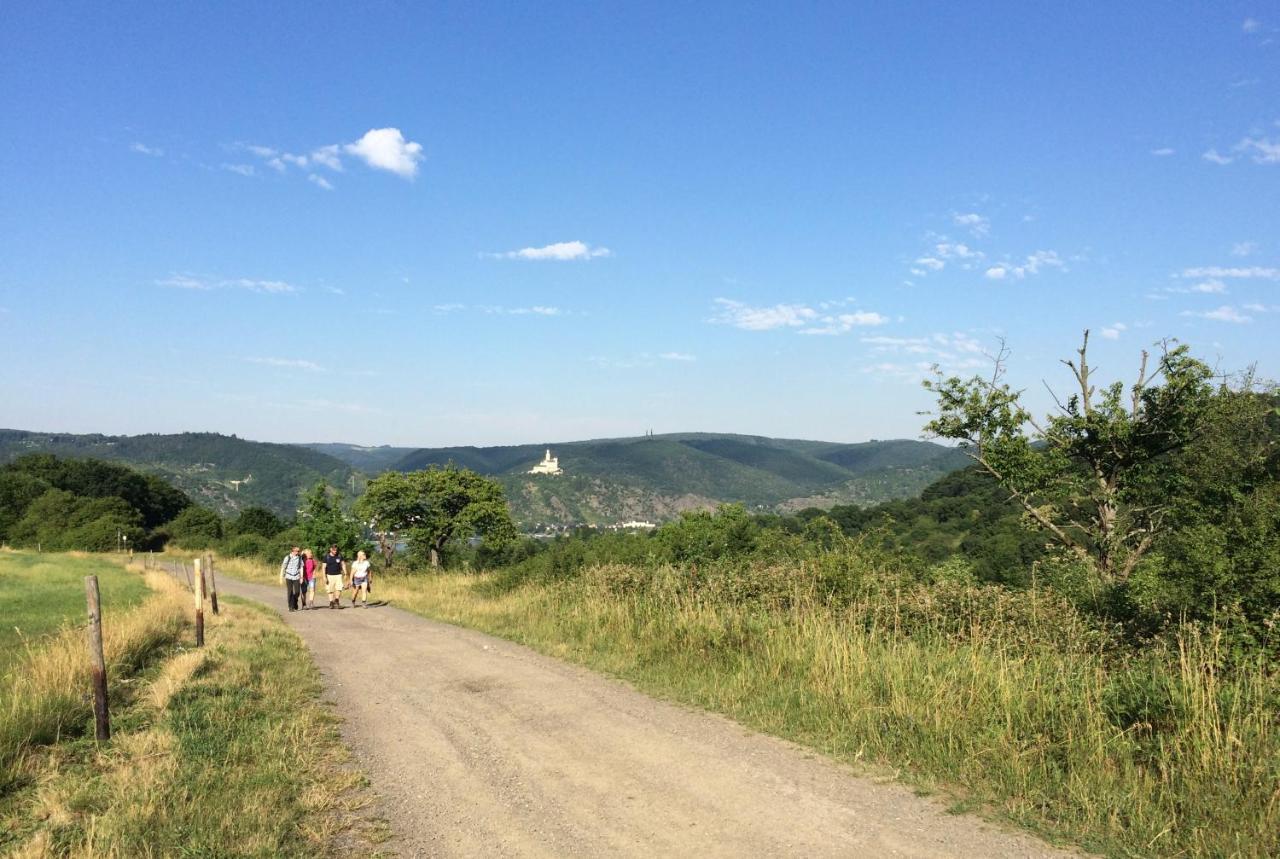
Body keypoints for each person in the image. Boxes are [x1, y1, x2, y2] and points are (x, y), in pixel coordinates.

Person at [279, 545, 305, 612]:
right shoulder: (287, 557)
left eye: (299, 551)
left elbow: (301, 567)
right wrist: (281, 578)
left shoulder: (299, 558)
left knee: (297, 592)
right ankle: (290, 606)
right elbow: (283, 567)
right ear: (293, 551)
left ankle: (295, 602)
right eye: (297, 551)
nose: (298, 552)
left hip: (296, 576)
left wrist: (301, 577)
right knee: (290, 591)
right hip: (288, 576)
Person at [322, 544, 346, 609]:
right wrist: (324, 577)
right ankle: (331, 603)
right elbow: (323, 567)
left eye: (336, 550)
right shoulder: (326, 557)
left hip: (338, 575)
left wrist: (345, 573)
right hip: (329, 575)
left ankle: (337, 600)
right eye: (334, 550)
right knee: (330, 590)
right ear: (331, 549)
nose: (335, 551)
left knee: (339, 588)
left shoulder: (339, 556)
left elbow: (343, 564)